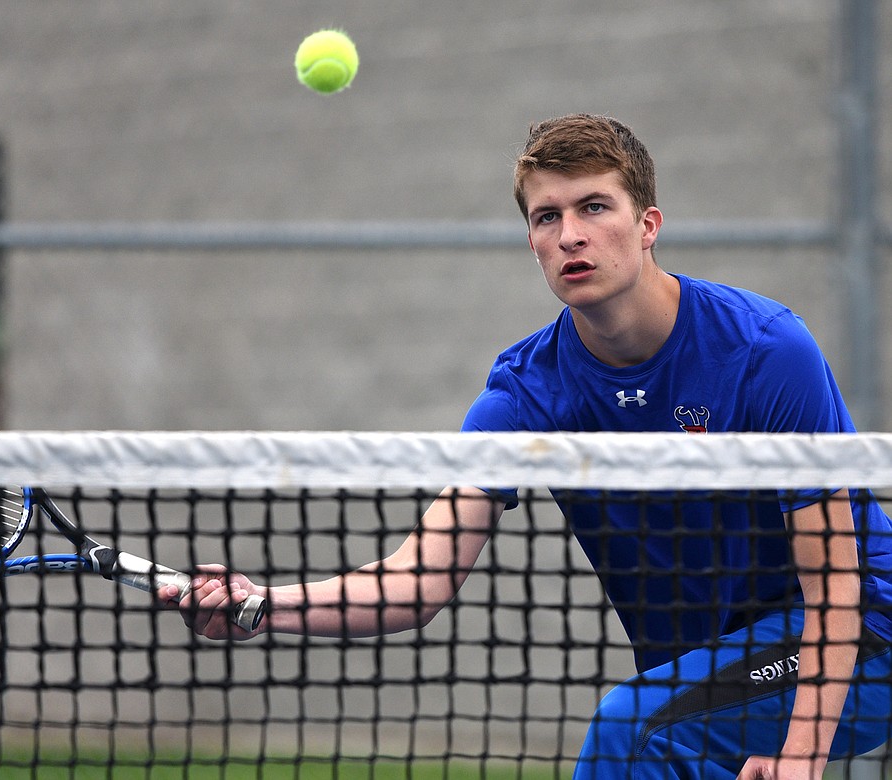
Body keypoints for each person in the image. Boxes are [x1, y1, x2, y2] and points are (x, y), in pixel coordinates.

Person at [161, 114, 892, 779]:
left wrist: (800, 758)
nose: (570, 234)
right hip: (709, 672)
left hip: (861, 639)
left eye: (593, 207)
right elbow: (419, 580)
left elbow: (835, 583)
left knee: (629, 731)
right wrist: (260, 606)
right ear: (533, 241)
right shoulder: (525, 395)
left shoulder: (766, 351)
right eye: (548, 216)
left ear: (648, 225)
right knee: (650, 728)